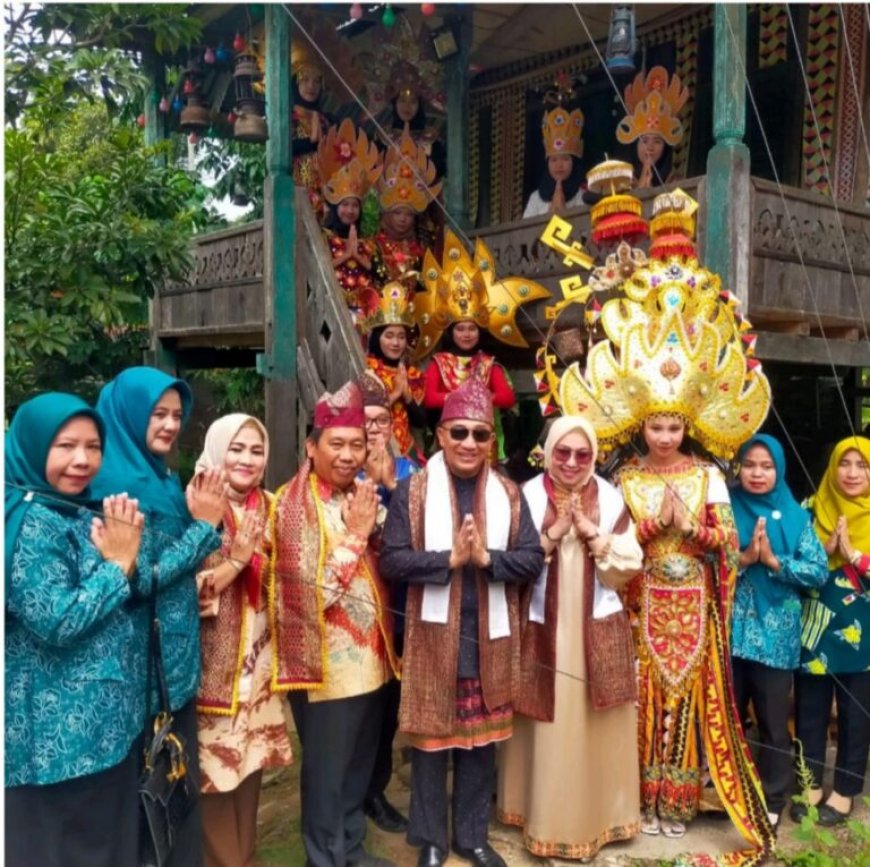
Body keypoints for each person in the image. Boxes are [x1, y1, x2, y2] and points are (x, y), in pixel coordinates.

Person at [551, 188, 775, 860]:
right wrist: (654, 530)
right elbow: (615, 546)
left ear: (690, 425)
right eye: (656, 423)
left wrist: (696, 530)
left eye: (676, 424)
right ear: (640, 423)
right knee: (643, 702)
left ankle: (681, 797)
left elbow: (729, 547)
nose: (667, 433)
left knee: (687, 703)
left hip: (694, 604)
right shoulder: (626, 479)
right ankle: (641, 797)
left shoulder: (709, 476)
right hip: (642, 603)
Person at [380, 378, 544, 867]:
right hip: (432, 638)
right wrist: (447, 560)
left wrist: (488, 559)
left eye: (479, 434)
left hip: (490, 639)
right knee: (431, 744)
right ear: (441, 438)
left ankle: (471, 837)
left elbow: (532, 559)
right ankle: (430, 840)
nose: (469, 443)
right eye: (459, 433)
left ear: (491, 441)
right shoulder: (412, 493)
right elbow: (391, 561)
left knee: (480, 744)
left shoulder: (510, 495)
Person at [93, 366, 226, 867]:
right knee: (151, 797)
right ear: (129, 414)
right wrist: (203, 530)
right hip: (142, 674)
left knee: (174, 792)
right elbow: (134, 581)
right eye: (157, 414)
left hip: (176, 667)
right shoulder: (116, 487)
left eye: (176, 415)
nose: (170, 425)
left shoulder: (162, 478)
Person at [5, 393, 145, 867]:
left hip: (101, 734)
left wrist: (127, 559)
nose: (82, 460)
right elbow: (59, 621)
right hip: (58, 746)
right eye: (65, 446)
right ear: (31, 445)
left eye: (93, 446)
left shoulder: (71, 510)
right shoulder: (28, 524)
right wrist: (118, 566)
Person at [497, 416, 643, 861]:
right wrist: (555, 533)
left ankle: (600, 817)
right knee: (544, 716)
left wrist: (593, 535)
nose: (573, 462)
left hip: (596, 625)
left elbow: (630, 563)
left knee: (595, 714)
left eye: (582, 454)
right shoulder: (523, 495)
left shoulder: (612, 496)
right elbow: (507, 560)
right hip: (541, 624)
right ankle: (537, 814)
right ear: (548, 451)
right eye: (563, 452)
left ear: (594, 455)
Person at [269, 381, 400, 867]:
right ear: (311, 446)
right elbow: (310, 593)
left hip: (371, 660)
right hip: (325, 669)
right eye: (336, 444)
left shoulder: (357, 492)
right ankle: (323, 857)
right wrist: (357, 534)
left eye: (356, 445)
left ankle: (351, 849)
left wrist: (378, 521)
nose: (347, 455)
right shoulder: (292, 503)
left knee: (357, 766)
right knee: (326, 772)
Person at [194, 414, 294, 867]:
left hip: (261, 665)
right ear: (216, 449)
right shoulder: (194, 504)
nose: (246, 459)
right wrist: (236, 562)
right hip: (213, 669)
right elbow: (184, 591)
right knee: (215, 774)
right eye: (236, 448)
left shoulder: (270, 505)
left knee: (250, 765)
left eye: (256, 450)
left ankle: (246, 856)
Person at [730, 434, 828, 828]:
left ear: (779, 469)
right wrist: (742, 558)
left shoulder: (796, 516)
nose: (757, 473)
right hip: (730, 634)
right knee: (729, 716)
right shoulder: (724, 505)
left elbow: (818, 571)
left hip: (775, 639)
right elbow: (706, 559)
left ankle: (772, 798)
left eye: (766, 466)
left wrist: (773, 562)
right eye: (750, 465)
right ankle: (728, 791)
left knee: (773, 722)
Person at [793, 436, 870, 826]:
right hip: (815, 629)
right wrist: (824, 550)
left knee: (857, 714)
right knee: (810, 710)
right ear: (832, 466)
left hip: (864, 635)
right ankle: (809, 784)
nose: (853, 473)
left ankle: (844, 791)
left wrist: (855, 554)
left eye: (862, 465)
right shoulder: (809, 508)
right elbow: (792, 563)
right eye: (845, 463)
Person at [355, 373, 420, 834]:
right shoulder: (338, 469)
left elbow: (421, 531)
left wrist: (390, 488)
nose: (375, 429)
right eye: (366, 422)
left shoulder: (411, 472)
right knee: (356, 705)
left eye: (381, 420)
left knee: (387, 703)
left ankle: (375, 789)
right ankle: (351, 791)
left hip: (398, 606)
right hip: (355, 605)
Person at [318, 119, 384, 330]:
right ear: (335, 207)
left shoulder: (368, 242)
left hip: (364, 312)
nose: (350, 210)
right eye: (344, 205)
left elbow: (380, 273)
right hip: (333, 309)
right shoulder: (325, 237)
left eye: (354, 205)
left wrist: (359, 258)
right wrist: (346, 256)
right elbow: (318, 269)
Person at [360, 282, 426, 460]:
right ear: (377, 338)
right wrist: (395, 393)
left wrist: (407, 395)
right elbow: (361, 414)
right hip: (369, 450)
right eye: (389, 336)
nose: (396, 343)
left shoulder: (411, 374)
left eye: (401, 337)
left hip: (406, 450)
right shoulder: (367, 369)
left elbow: (421, 422)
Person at [373, 130, 441, 293]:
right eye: (397, 213)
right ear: (387, 215)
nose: (403, 219)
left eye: (408, 214)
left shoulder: (422, 248)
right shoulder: (375, 246)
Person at [523, 75, 586, 218]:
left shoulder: (582, 195)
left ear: (574, 161)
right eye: (554, 160)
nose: (559, 165)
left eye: (565, 159)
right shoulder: (537, 198)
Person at [616, 66, 688, 188]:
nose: (650, 147)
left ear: (665, 146)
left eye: (657, 141)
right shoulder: (622, 183)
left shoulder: (676, 182)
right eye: (644, 140)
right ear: (635, 144)